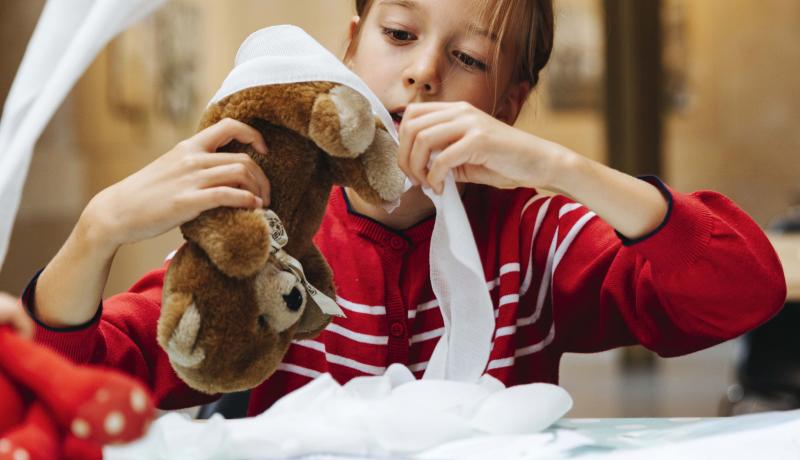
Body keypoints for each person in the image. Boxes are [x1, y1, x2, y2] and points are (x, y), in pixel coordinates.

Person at [22, 0, 785, 414]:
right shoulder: (266, 237)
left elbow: (740, 290)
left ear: (508, 103)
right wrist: (96, 233)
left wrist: (559, 167)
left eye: (468, 59)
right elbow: (62, 388)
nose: (422, 74)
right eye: (398, 34)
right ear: (350, 48)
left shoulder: (535, 238)